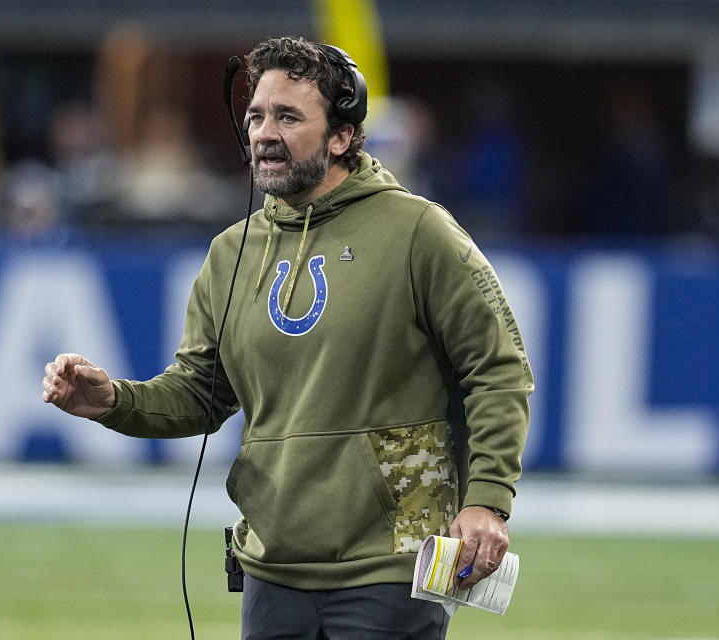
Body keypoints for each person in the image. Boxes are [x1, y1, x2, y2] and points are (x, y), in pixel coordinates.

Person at [42, 36, 533, 639]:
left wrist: (486, 499)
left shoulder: (419, 233)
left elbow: (498, 370)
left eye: (288, 116)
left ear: (343, 136)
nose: (263, 133)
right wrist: (114, 401)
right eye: (255, 116)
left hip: (390, 568)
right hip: (271, 570)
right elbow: (201, 392)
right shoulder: (231, 252)